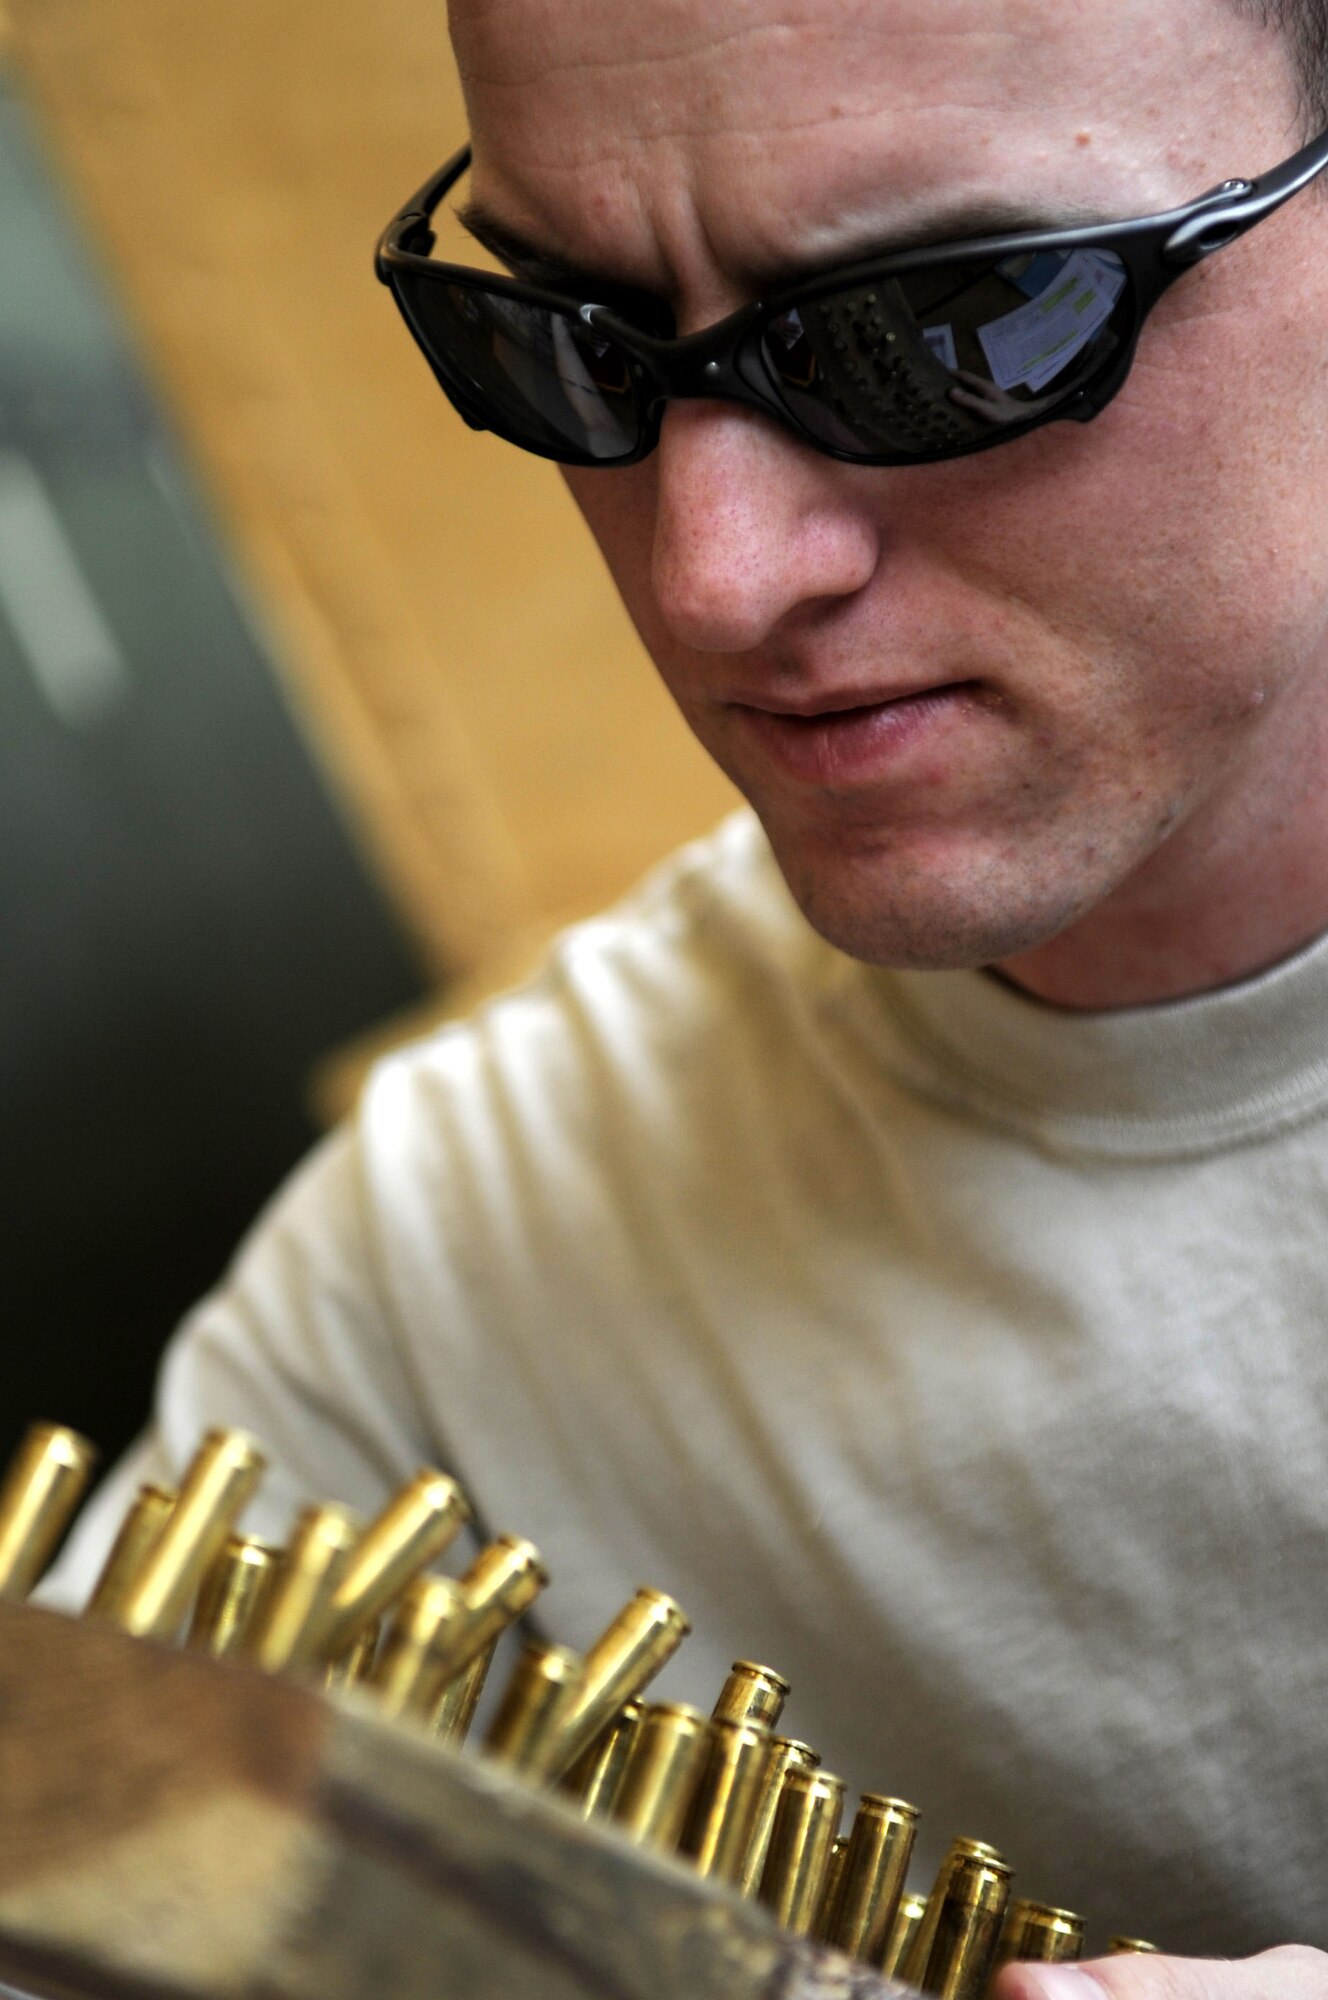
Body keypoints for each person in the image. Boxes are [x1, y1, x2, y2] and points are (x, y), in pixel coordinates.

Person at [51, 0, 1328, 1980]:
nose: (714, 576)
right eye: (564, 340)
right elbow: (92, 1884)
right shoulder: (457, 1287)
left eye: (943, 327)